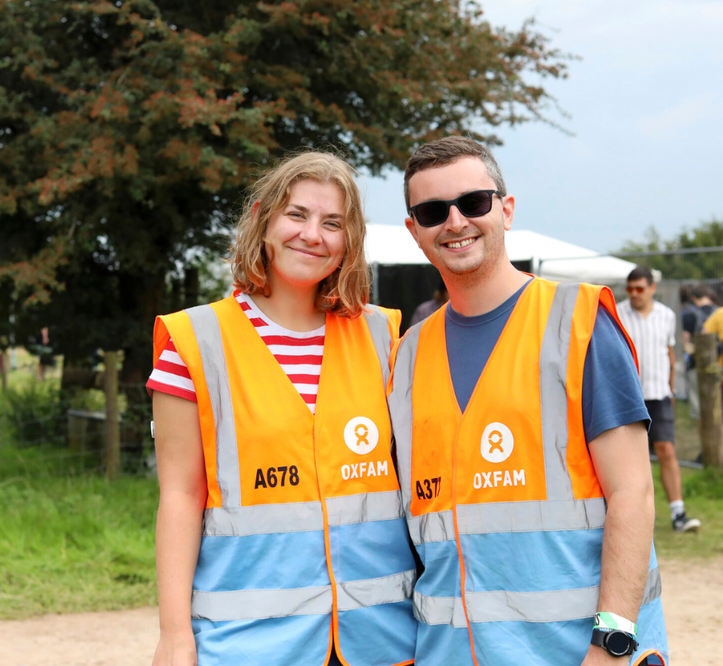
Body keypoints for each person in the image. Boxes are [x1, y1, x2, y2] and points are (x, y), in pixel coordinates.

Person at [388, 136, 668, 665]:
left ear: (505, 209)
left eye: (473, 203)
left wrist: (610, 644)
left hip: (578, 654)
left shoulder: (579, 323)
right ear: (414, 231)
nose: (455, 222)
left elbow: (632, 493)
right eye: (432, 211)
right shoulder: (404, 358)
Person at [147, 152, 417, 666]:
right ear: (262, 221)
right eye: (296, 215)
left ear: (349, 241)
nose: (312, 235)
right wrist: (174, 634)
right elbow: (180, 496)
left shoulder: (387, 338)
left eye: (332, 223)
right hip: (250, 642)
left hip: (381, 638)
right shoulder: (194, 341)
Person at [617, 267, 701, 533]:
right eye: (630, 289)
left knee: (667, 451)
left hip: (659, 394)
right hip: (627, 397)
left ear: (652, 288)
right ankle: (627, 517)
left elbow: (670, 355)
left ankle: (678, 514)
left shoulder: (667, 315)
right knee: (627, 460)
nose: (634, 294)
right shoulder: (617, 312)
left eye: (639, 288)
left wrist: (672, 391)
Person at [679, 286, 716, 419]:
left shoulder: (690, 315)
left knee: (697, 403)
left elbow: (686, 341)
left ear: (693, 298)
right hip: (718, 363)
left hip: (696, 364)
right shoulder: (719, 312)